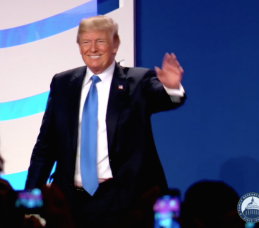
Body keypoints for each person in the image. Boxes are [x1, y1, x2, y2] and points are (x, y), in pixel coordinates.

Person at [25, 15, 186, 227]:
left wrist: (172, 88)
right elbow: (45, 146)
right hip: (71, 203)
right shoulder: (62, 83)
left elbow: (166, 99)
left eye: (100, 41)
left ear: (115, 45)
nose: (93, 48)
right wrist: (28, 201)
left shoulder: (138, 81)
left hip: (123, 202)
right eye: (86, 42)